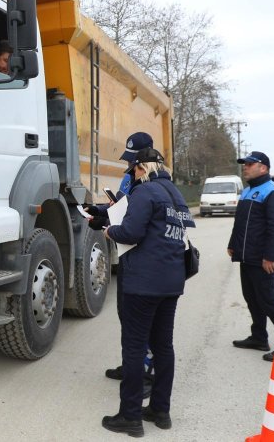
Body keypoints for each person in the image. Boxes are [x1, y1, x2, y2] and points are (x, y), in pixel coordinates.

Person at [101, 147, 194, 437]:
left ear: (142, 168)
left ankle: (130, 417)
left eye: (134, 169)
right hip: (171, 282)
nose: (133, 174)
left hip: (143, 284)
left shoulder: (144, 192)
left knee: (134, 348)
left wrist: (109, 230)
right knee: (163, 346)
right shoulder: (175, 194)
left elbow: (131, 232)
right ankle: (160, 411)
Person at [85, 132, 155, 393]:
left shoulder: (152, 183)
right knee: (125, 313)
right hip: (126, 254)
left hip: (142, 257)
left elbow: (136, 219)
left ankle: (146, 371)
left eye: (133, 159)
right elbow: (120, 207)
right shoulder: (129, 177)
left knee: (141, 319)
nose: (129, 163)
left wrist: (109, 225)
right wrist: (100, 212)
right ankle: (132, 365)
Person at [228, 151, 274, 362]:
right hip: (246, 256)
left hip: (262, 259)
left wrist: (271, 257)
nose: (245, 167)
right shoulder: (247, 192)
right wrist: (233, 244)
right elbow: (240, 223)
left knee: (269, 301)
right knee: (252, 298)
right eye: (245, 164)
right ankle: (259, 337)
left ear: (263, 168)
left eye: (250, 164)